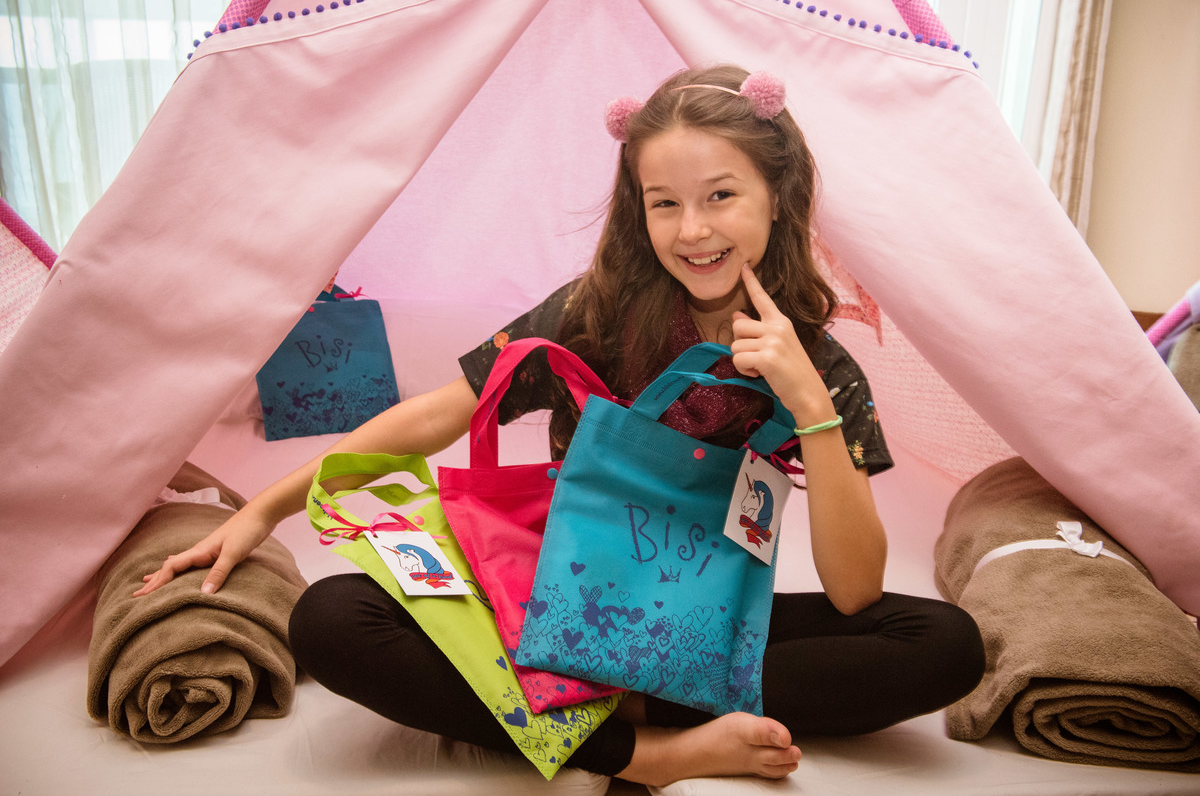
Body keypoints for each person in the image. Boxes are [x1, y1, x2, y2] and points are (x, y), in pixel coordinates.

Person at [136, 64, 985, 787]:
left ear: (777, 195)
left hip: (699, 616)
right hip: (550, 608)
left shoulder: (822, 364)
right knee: (332, 616)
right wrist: (265, 508)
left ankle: (603, 703)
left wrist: (810, 405)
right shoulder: (594, 311)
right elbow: (439, 413)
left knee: (944, 643)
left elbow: (853, 591)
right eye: (664, 203)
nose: (693, 230)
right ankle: (648, 750)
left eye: (721, 196)